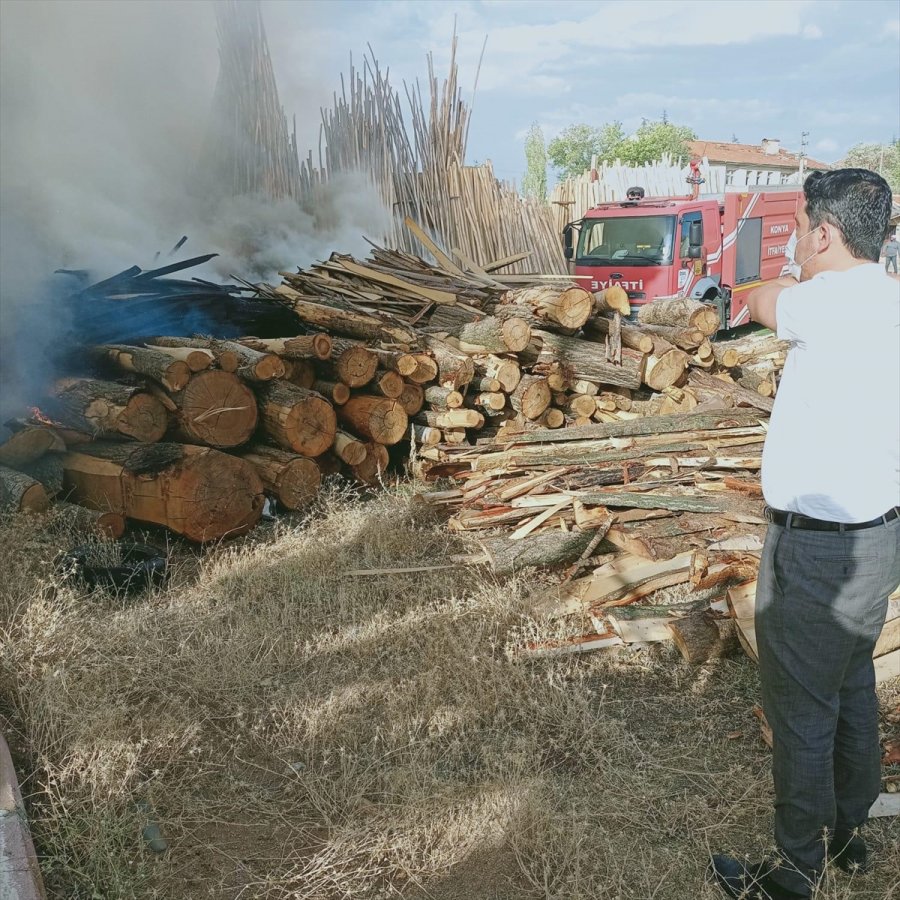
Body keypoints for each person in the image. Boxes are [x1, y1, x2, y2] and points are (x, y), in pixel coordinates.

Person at [710, 169, 900, 899]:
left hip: (818, 545)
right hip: (878, 538)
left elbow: (757, 300)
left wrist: (771, 278)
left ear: (825, 233)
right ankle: (850, 835)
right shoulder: (888, 298)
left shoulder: (830, 301)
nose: (795, 242)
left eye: (799, 229)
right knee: (851, 686)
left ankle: (793, 873)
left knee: (800, 713)